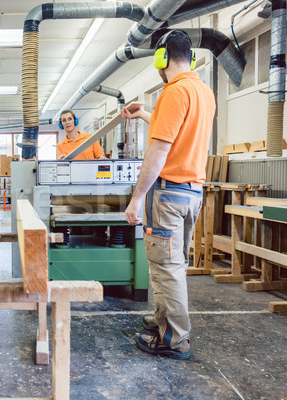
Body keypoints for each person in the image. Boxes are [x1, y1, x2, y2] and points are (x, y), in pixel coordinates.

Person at [120, 30, 215, 360]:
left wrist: (136, 198)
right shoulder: (202, 91)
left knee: (165, 267)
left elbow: (160, 149)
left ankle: (173, 339)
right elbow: (177, 132)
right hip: (191, 193)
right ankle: (165, 320)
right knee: (172, 264)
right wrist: (144, 114)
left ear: (161, 59)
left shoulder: (173, 93)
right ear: (188, 57)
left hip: (168, 193)